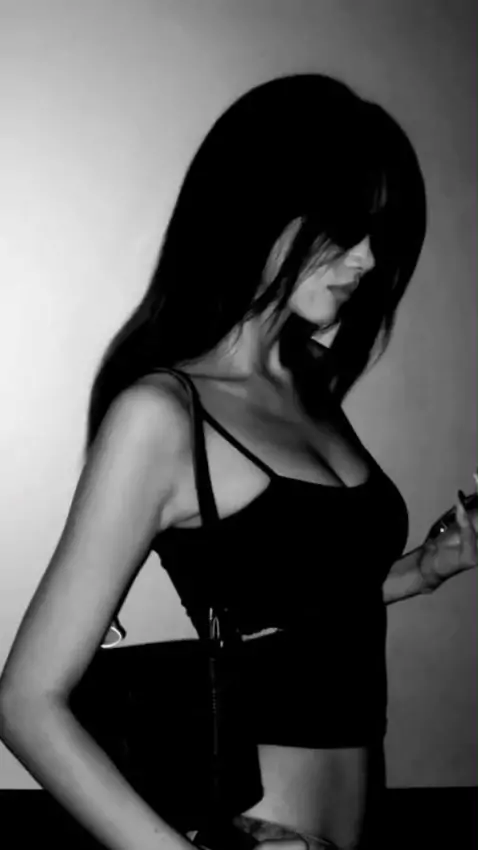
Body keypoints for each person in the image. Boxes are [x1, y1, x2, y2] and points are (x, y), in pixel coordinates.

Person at [0, 74, 476, 850]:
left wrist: (424, 568)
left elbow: (302, 603)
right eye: (346, 227)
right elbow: (26, 702)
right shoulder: (162, 415)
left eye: (377, 233)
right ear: (261, 207)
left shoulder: (307, 384)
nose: (366, 258)